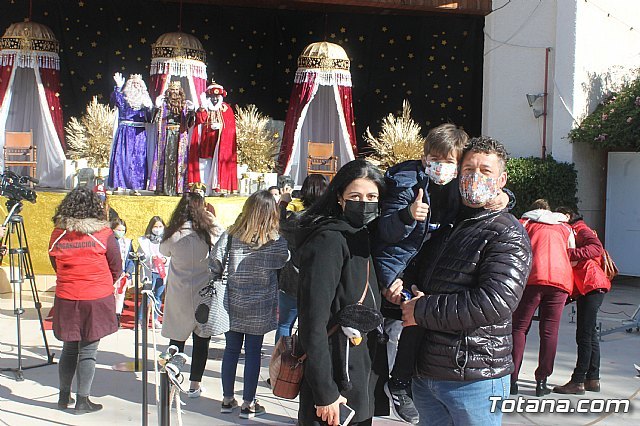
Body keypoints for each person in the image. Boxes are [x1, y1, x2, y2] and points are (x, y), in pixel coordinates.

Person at [372, 124, 510, 424]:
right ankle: (398, 381)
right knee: (407, 322)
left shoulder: (466, 192)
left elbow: (482, 198)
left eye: (450, 161)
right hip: (399, 264)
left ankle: (402, 379)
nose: (442, 167)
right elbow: (386, 231)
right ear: (425, 159)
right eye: (436, 159)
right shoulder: (405, 182)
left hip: (428, 269)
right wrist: (408, 215)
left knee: (417, 318)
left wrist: (505, 196)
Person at [401, 137, 532, 426]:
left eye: (485, 171)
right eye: (469, 169)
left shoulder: (506, 232)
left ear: (501, 180)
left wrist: (421, 310)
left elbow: (495, 301)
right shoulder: (450, 223)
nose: (475, 177)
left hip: (473, 377)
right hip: (428, 373)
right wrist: (405, 287)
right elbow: (420, 269)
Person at [296, 159, 384, 426]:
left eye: (372, 197)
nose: (364, 203)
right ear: (339, 198)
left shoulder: (360, 236)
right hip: (336, 380)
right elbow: (313, 322)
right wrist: (325, 392)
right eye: (355, 196)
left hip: (359, 372)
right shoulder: (329, 240)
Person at [212, 190, 289, 419]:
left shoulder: (231, 234)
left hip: (232, 300)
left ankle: (227, 399)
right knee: (253, 353)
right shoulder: (275, 240)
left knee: (231, 350)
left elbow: (214, 261)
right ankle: (248, 403)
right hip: (261, 303)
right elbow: (285, 260)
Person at [48, 186, 122, 414]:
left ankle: (63, 396)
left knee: (69, 348)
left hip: (67, 297)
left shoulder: (58, 233)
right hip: (95, 297)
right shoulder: (104, 234)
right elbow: (116, 266)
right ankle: (83, 401)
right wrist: (103, 282)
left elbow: (55, 263)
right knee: (88, 351)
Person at [160, 192, 224, 396]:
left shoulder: (174, 233)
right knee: (201, 340)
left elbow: (163, 251)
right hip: (203, 292)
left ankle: (172, 379)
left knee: (176, 339)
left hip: (179, 291)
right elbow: (223, 236)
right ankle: (195, 384)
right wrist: (211, 218)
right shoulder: (207, 231)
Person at [510, 202, 575, 396]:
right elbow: (572, 255)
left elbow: (514, 251)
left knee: (519, 328)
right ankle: (542, 381)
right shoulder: (564, 227)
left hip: (532, 278)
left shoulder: (524, 222)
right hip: (560, 280)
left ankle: (512, 379)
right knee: (550, 331)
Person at [553, 206, 611, 395]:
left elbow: (596, 248)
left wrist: (568, 254)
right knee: (590, 334)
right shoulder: (575, 229)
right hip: (591, 286)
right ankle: (593, 379)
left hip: (591, 285)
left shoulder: (580, 229)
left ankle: (577, 381)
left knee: (584, 335)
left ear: (568, 216)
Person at [275, 173, 328, 344]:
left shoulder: (296, 219)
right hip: (321, 281)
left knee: (285, 324)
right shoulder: (330, 221)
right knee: (313, 326)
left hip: (293, 278)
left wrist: (283, 203)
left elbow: (278, 224)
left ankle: (281, 357)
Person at [188, 81, 238, 193]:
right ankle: (203, 188)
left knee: (217, 164)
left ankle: (216, 188)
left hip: (219, 143)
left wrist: (221, 127)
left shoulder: (226, 108)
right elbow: (199, 120)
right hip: (204, 141)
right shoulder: (204, 107)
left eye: (217, 97)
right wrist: (202, 108)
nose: (214, 99)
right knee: (204, 164)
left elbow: (231, 128)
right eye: (212, 97)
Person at [149, 80, 195, 196]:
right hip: (167, 135)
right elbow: (154, 118)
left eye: (176, 90)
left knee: (179, 161)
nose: (174, 92)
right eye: (172, 89)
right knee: (165, 160)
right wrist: (156, 108)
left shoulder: (184, 104)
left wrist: (191, 112)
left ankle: (179, 188)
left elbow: (189, 122)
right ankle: (162, 188)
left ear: (180, 91)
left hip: (180, 136)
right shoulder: (164, 104)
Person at [108, 72, 153, 190]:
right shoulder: (124, 98)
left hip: (139, 133)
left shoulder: (145, 100)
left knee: (139, 159)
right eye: (134, 84)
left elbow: (149, 120)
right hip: (125, 132)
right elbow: (114, 100)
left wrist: (149, 109)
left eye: (138, 84)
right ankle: (120, 184)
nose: (136, 86)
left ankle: (137, 185)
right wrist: (118, 87)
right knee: (123, 158)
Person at [137, 216, 168, 328]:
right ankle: (141, 320)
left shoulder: (167, 240)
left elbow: (171, 254)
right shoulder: (144, 241)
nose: (158, 229)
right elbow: (140, 256)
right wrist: (150, 258)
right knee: (147, 296)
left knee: (158, 296)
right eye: (155, 226)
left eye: (160, 226)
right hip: (149, 272)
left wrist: (165, 259)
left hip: (161, 272)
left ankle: (155, 319)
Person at [111, 218, 135, 326]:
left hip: (123, 275)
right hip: (111, 275)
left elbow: (131, 258)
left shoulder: (127, 242)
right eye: (118, 230)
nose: (121, 232)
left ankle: (117, 318)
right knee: (111, 296)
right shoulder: (108, 241)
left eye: (123, 230)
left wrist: (129, 271)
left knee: (120, 296)